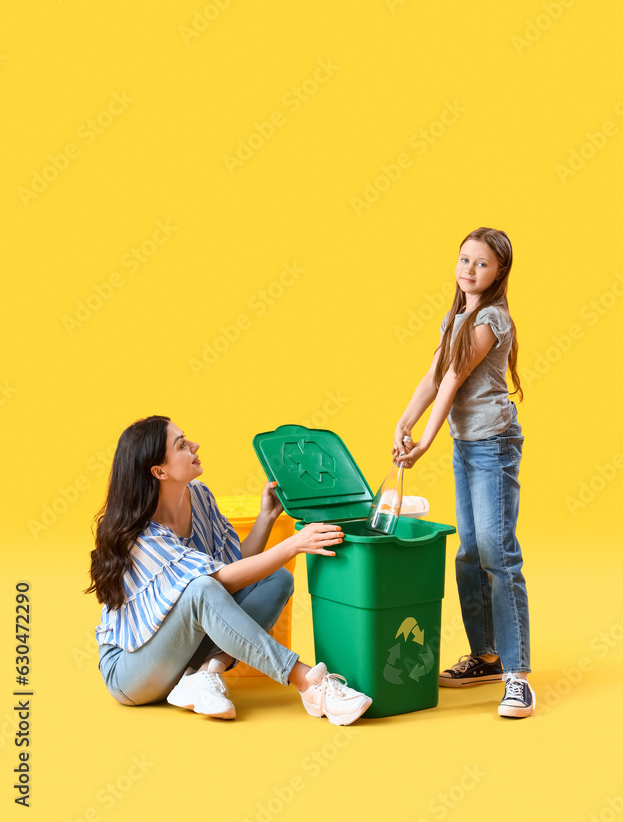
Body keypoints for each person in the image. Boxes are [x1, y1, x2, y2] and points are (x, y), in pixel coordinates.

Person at [86, 414, 372, 725]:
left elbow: (232, 566)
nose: (195, 446)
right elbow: (214, 584)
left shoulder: (199, 496)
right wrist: (292, 545)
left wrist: (266, 517)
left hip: (185, 655)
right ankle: (309, 682)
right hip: (132, 672)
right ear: (160, 470)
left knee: (276, 578)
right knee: (202, 589)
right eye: (181, 445)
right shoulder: (141, 536)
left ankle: (206, 674)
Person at [392, 227, 535, 718]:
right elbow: (434, 373)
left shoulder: (493, 318)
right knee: (470, 552)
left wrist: (427, 439)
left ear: (499, 274)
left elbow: (455, 377)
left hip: (493, 445)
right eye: (465, 260)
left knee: (498, 552)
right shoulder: (455, 318)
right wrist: (405, 420)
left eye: (482, 264)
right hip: (466, 447)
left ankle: (517, 676)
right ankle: (486, 656)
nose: (470, 270)